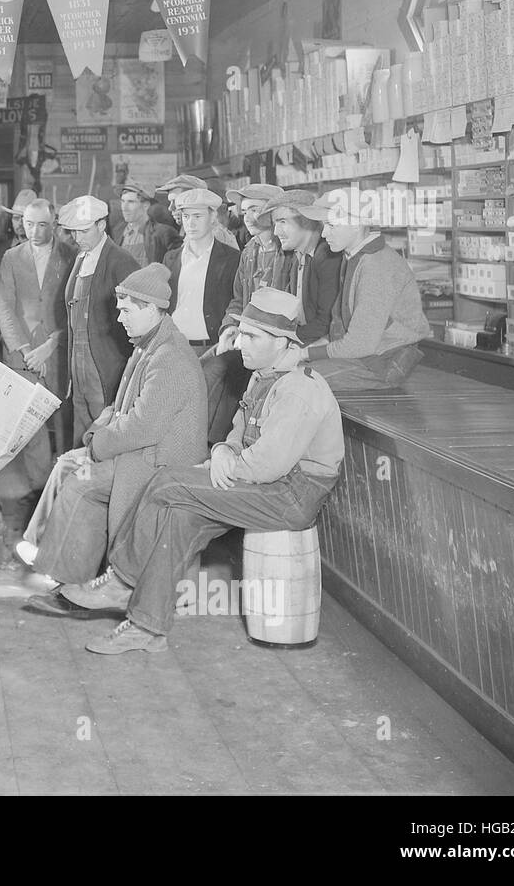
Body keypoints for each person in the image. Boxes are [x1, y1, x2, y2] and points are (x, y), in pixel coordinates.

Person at [64, 288, 344, 655]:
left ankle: (122, 579)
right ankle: (147, 628)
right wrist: (225, 451)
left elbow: (265, 465)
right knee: (179, 515)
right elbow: (238, 431)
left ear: (281, 342)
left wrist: (221, 463)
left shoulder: (296, 390)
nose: (239, 342)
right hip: (265, 482)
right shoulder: (264, 374)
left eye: (252, 336)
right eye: (241, 332)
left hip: (291, 494)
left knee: (167, 481)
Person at [18, 264, 207, 617]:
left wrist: (96, 447)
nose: (119, 317)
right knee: (67, 466)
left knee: (81, 485)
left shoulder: (169, 358)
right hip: (143, 452)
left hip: (160, 464)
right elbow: (117, 409)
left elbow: (140, 428)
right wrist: (93, 440)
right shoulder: (147, 347)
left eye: (126, 309)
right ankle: (54, 562)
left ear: (151, 309)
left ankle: (66, 584)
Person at [301, 199, 431, 391]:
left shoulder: (376, 265)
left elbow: (360, 344)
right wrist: (303, 352)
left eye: (331, 225)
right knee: (290, 373)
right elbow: (340, 327)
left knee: (300, 381)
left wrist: (304, 355)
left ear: (355, 225)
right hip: (365, 358)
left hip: (382, 364)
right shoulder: (354, 256)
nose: (323, 233)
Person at [0, 197, 77, 489]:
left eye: (42, 225)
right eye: (29, 224)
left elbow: (75, 310)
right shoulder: (11, 258)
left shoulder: (72, 256)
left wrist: (52, 345)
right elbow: (3, 307)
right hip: (22, 356)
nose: (34, 231)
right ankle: (40, 489)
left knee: (65, 420)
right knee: (29, 425)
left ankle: (65, 486)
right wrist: (25, 350)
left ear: (54, 224)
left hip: (58, 352)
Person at [202, 183, 287, 442]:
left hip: (272, 347)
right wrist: (229, 328)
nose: (247, 217)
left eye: (255, 210)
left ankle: (217, 446)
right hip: (245, 339)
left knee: (218, 377)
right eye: (244, 210)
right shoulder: (250, 250)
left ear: (273, 213)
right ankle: (213, 446)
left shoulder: (287, 253)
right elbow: (238, 300)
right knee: (204, 370)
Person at [59, 194, 140, 444]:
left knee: (103, 432)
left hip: (105, 364)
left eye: (83, 231)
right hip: (78, 363)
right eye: (73, 232)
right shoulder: (81, 258)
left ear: (102, 224)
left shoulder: (121, 261)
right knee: (81, 425)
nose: (77, 238)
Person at [164, 188, 241, 355]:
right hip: (173, 346)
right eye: (186, 216)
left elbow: (238, 300)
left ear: (212, 217)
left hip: (211, 349)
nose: (190, 223)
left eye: (198, 216)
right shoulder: (171, 258)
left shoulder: (231, 259)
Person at [268, 190, 342, 346]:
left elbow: (326, 323)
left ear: (307, 220)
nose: (276, 231)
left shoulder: (328, 257)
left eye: (282, 222)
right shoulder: (298, 256)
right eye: (275, 223)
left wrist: (280, 341)